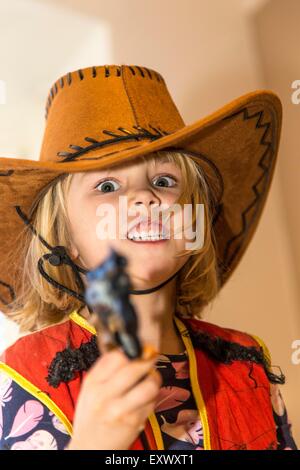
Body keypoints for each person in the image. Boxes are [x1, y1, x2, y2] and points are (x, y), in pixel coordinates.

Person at [0, 64, 297, 450]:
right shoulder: (26, 372)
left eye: (164, 181)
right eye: (107, 185)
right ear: (64, 237)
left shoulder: (248, 361)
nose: (145, 198)